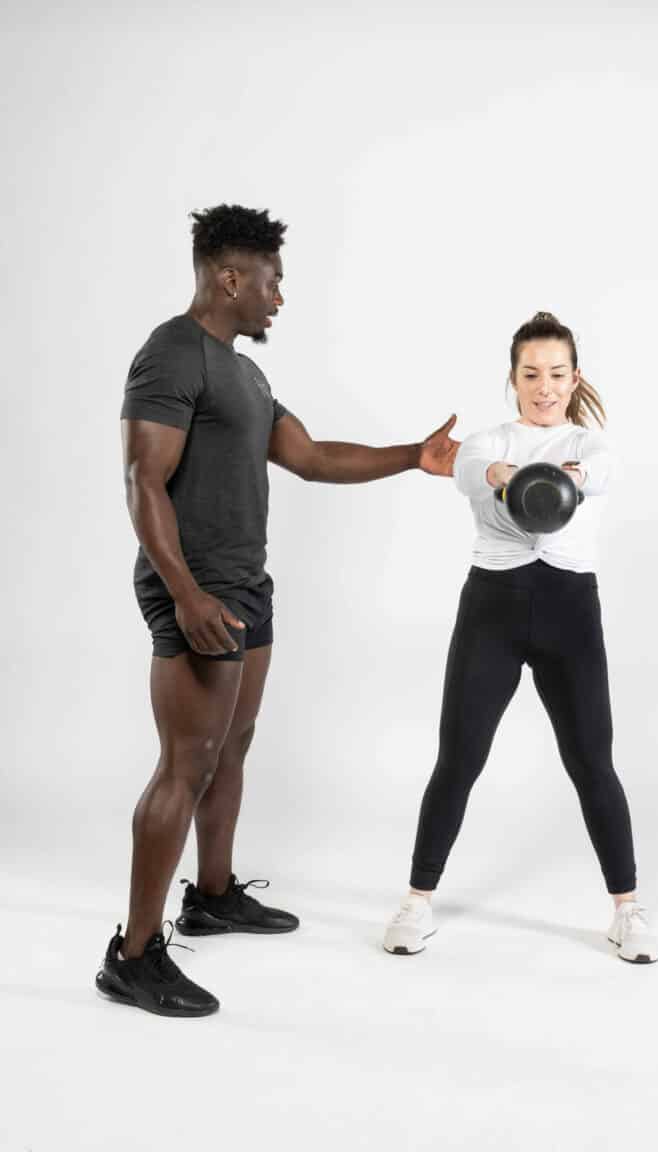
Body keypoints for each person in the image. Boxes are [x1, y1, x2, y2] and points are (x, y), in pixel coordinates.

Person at [96, 204, 459, 1017]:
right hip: (196, 590)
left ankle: (213, 895)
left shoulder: (245, 373)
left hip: (246, 585)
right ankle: (133, 954)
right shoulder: (171, 353)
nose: (279, 299)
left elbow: (311, 456)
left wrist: (414, 457)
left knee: (234, 746)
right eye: (272, 282)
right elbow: (142, 481)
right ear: (230, 278)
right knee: (184, 764)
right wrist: (185, 593)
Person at [383, 312, 658, 965]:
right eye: (531, 374)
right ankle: (416, 902)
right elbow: (478, 474)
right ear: (513, 378)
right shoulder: (484, 443)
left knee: (592, 761)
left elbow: (587, 481)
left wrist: (560, 476)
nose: (544, 387)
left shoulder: (594, 449)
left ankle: (627, 911)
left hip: (570, 610)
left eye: (557, 374)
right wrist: (507, 475)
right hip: (493, 610)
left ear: (574, 378)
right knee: (459, 759)